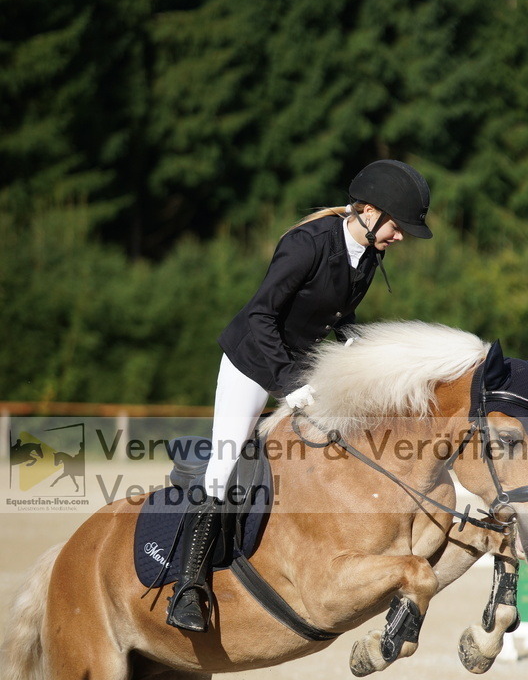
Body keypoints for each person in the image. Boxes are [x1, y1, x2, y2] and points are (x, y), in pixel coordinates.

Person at [166, 159, 433, 632]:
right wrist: (291, 383)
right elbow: (260, 318)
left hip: (303, 365)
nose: (400, 236)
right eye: (398, 225)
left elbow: (335, 315)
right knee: (225, 464)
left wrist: (359, 343)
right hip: (254, 361)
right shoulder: (306, 245)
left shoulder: (369, 253)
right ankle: (187, 587)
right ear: (368, 211)